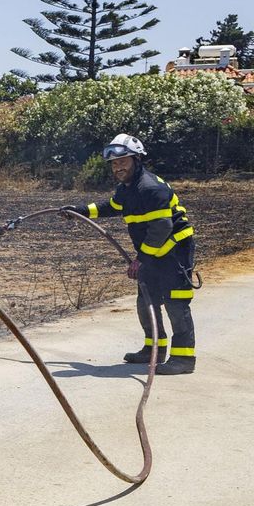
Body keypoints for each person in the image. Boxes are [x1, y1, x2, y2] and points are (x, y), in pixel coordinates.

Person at [60, 134, 196, 375]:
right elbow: (112, 207)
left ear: (136, 160)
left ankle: (183, 359)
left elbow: (162, 227)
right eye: (114, 163)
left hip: (174, 253)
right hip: (152, 253)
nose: (118, 167)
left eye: (123, 161)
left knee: (176, 304)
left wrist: (140, 259)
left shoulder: (150, 187)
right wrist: (79, 211)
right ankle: (154, 349)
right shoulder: (127, 188)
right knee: (146, 301)